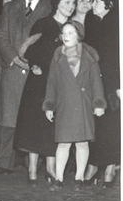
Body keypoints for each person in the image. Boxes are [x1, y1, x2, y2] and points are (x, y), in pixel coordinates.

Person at [0, 0, 51, 174]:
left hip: (37, 71)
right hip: (13, 69)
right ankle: (4, 162)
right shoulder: (10, 8)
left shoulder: (50, 7)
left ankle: (36, 164)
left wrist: (36, 60)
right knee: (8, 119)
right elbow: (1, 36)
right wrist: (14, 58)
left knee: (36, 116)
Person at [14, 0, 76, 183]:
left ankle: (51, 166)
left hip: (59, 81)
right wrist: (34, 65)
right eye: (67, 2)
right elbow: (28, 48)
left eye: (73, 3)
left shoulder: (71, 27)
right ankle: (32, 167)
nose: (71, 7)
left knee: (53, 124)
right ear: (57, 3)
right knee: (35, 122)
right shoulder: (44, 23)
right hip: (40, 80)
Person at [43, 21, 106, 185]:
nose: (66, 36)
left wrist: (98, 103)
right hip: (65, 105)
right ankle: (59, 177)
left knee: (82, 143)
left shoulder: (89, 56)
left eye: (70, 33)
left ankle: (79, 177)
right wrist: (49, 105)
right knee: (63, 143)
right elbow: (52, 82)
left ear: (79, 36)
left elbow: (96, 83)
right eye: (64, 33)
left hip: (83, 105)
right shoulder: (57, 55)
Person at [85, 0, 120, 184]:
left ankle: (109, 168)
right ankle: (95, 165)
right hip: (94, 80)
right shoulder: (91, 21)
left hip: (111, 82)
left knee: (110, 125)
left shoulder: (116, 23)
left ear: (109, 4)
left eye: (97, 0)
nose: (93, 4)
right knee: (96, 125)